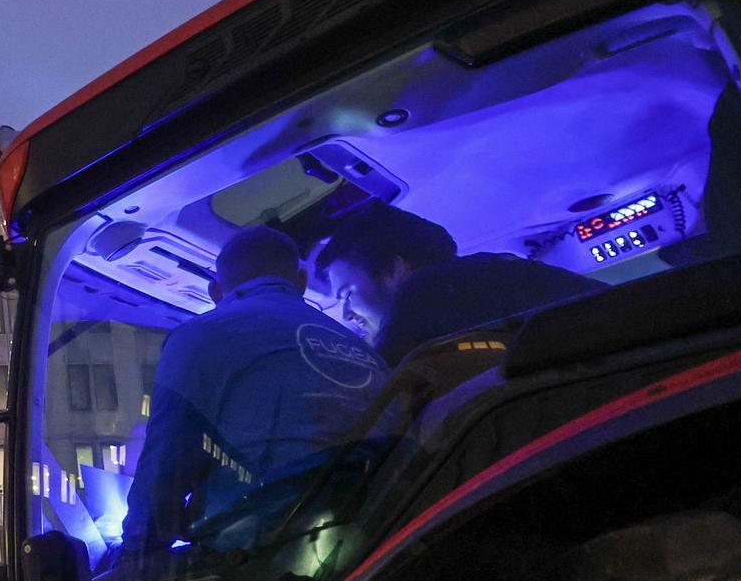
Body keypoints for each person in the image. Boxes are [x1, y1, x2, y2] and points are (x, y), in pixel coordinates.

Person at [121, 224, 388, 551]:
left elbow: (164, 467)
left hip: (269, 546)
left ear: (215, 292)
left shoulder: (198, 337)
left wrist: (134, 555)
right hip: (379, 530)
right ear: (300, 282)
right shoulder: (362, 346)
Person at [317, 201, 604, 366]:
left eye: (347, 294)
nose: (346, 314)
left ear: (396, 267)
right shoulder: (495, 272)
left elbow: (380, 389)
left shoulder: (423, 292)